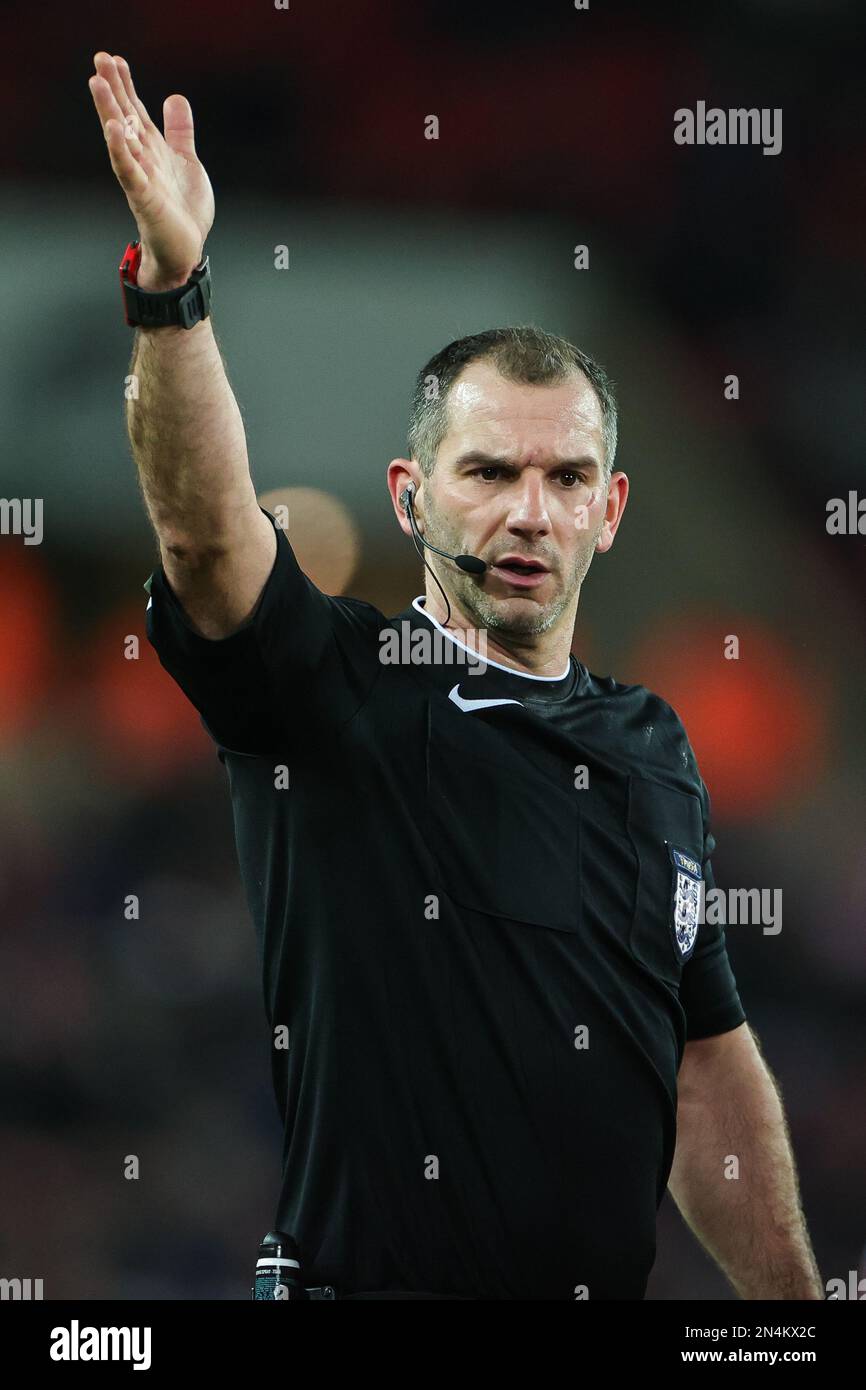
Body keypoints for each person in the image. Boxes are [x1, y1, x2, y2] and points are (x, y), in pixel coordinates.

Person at [89, 51, 825, 1301]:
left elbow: (704, 1058)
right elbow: (206, 537)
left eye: (563, 479)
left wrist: (793, 1320)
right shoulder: (330, 691)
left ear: (611, 509)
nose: (526, 514)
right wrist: (173, 289)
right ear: (409, 493)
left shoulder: (653, 746)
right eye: (486, 473)